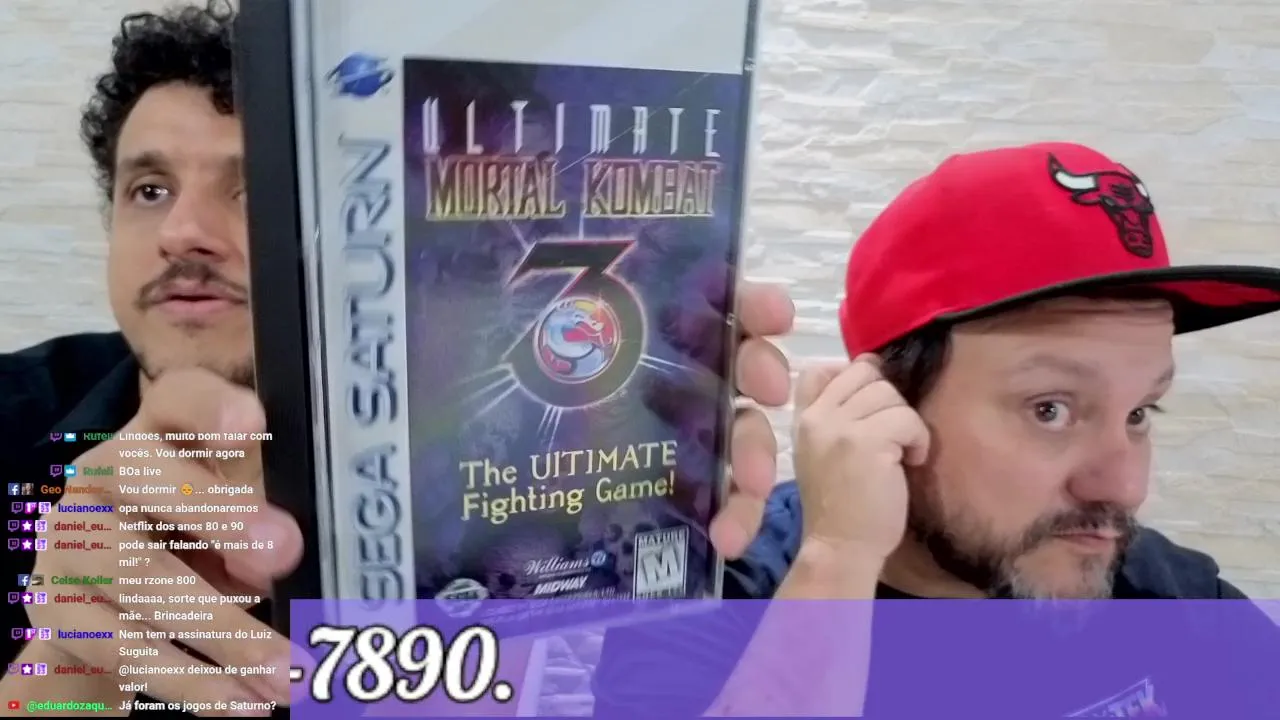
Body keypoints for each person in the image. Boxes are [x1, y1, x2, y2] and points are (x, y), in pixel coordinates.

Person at [0, 2, 793, 717]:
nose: (183, 232)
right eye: (149, 189)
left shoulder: (500, 450)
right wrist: (69, 664)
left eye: (249, 189)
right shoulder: (13, 422)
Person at [592, 142, 1280, 717]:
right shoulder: (719, 596)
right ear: (885, 403)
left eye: (1139, 413)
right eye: (1050, 409)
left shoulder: (1161, 593)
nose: (1123, 486)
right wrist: (839, 557)